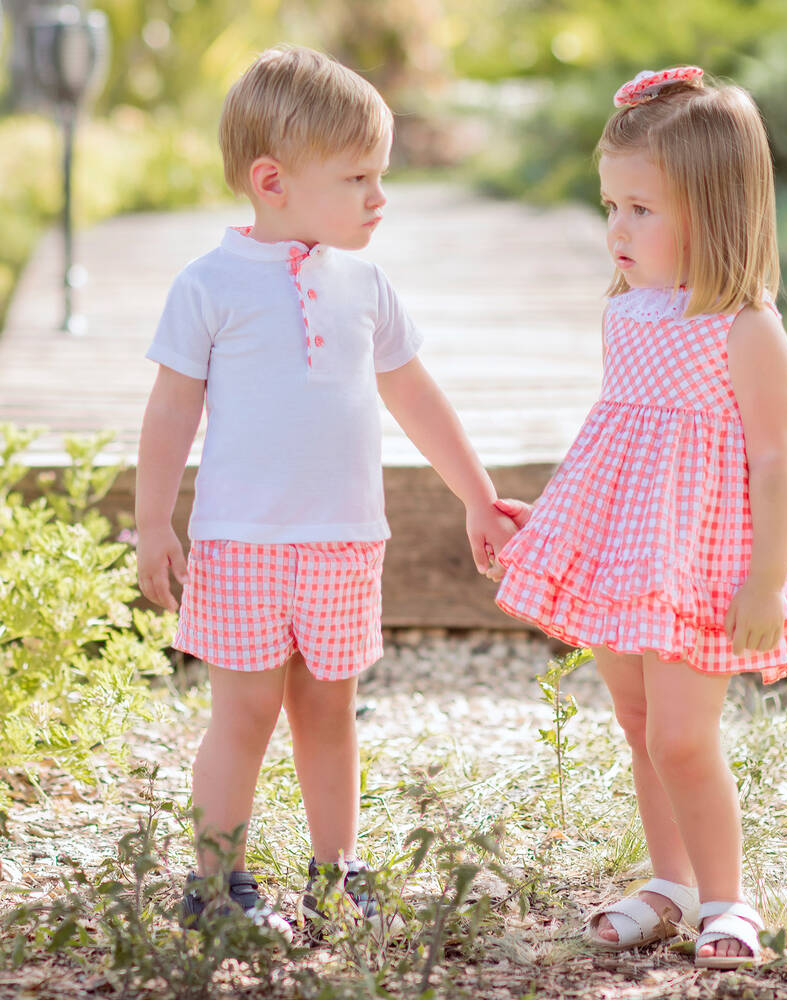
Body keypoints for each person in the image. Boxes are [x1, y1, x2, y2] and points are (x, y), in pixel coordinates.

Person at [135, 44, 518, 937]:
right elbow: (168, 412)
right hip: (243, 541)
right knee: (246, 714)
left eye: (379, 175)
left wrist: (475, 493)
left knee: (329, 709)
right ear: (272, 181)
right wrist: (155, 522)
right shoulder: (210, 286)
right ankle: (216, 885)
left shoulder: (367, 285)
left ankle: (335, 872)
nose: (379, 197)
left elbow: (415, 394)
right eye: (356, 178)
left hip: (346, 537)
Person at [493, 66, 787, 969]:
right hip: (622, 548)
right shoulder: (628, 315)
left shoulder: (746, 329)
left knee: (684, 736)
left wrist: (763, 578)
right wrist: (553, 525)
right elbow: (616, 440)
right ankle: (671, 882)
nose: (615, 231)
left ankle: (728, 899)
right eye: (610, 207)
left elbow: (774, 460)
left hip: (699, 562)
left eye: (641, 210)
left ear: (713, 211)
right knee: (638, 724)